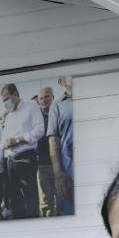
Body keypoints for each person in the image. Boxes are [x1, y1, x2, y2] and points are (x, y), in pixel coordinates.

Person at [0, 83, 43, 219]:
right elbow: (3, 140)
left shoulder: (31, 108)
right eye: (3, 101)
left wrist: (17, 140)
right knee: (15, 198)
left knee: (30, 197)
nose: (5, 103)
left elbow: (40, 130)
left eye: (7, 99)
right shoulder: (9, 116)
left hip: (26, 159)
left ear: (16, 95)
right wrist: (5, 144)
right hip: (11, 162)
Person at [47, 76, 74, 215]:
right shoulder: (57, 106)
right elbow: (53, 140)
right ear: (61, 80)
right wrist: (58, 173)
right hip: (69, 171)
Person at [36, 87, 58, 217]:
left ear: (53, 97)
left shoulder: (59, 113)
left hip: (60, 165)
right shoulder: (36, 118)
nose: (43, 100)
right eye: (41, 98)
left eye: (46, 97)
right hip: (43, 165)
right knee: (45, 204)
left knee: (61, 200)